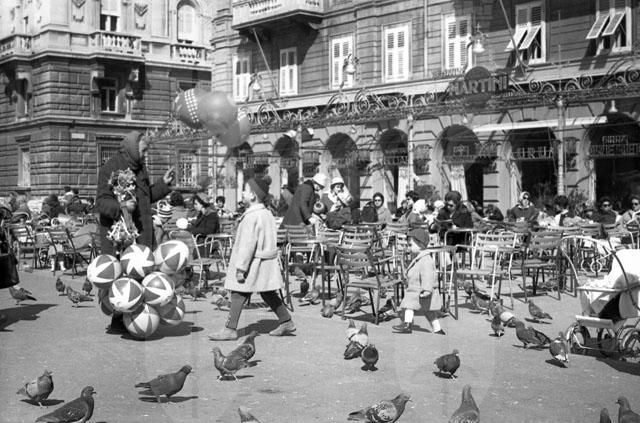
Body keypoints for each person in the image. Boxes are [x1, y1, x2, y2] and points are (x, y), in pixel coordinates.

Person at [96, 130, 174, 334]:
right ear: (131, 148)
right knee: (122, 277)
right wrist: (121, 206)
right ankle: (118, 318)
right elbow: (101, 202)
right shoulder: (110, 168)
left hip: (141, 232)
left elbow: (145, 198)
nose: (145, 155)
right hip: (119, 237)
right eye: (143, 150)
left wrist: (163, 185)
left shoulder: (139, 168)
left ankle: (135, 318)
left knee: (139, 275)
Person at [209, 177, 296, 340]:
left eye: (245, 190)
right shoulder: (267, 214)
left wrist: (241, 268)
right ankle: (286, 321)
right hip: (265, 261)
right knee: (267, 292)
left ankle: (230, 329)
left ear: (253, 195)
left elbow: (247, 245)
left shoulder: (251, 217)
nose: (242, 193)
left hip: (252, 263)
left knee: (238, 292)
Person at [392, 228, 445, 335]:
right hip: (418, 289)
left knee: (409, 305)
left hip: (420, 290)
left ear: (420, 245)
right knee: (428, 311)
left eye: (410, 245)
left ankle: (407, 325)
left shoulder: (425, 260)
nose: (409, 248)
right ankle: (437, 329)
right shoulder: (420, 258)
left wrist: (427, 289)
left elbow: (428, 276)